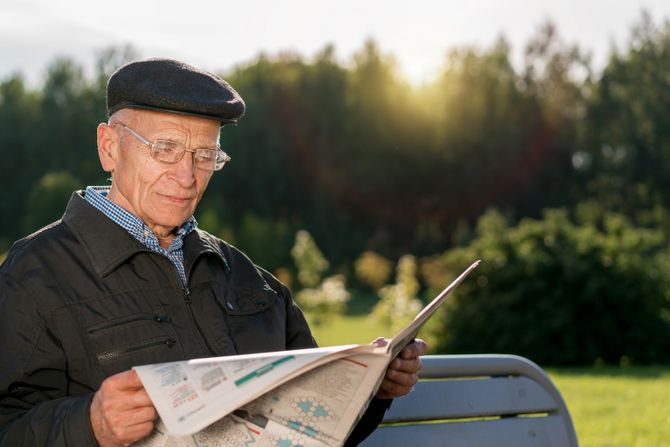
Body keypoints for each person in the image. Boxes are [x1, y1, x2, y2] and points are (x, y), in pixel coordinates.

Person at [0, 58, 427, 446]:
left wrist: (375, 388)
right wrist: (88, 424)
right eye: (164, 149)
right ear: (109, 146)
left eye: (204, 155)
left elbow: (314, 427)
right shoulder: (35, 275)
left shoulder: (252, 282)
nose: (186, 176)